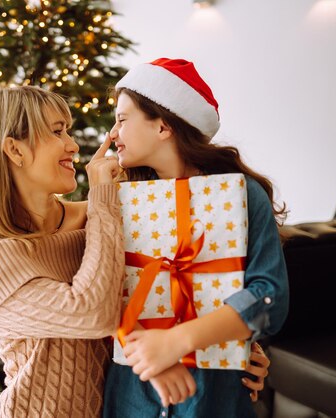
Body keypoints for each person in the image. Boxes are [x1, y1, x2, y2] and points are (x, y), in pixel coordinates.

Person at [0, 85, 272, 418]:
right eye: (58, 132)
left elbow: (154, 293)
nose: (73, 145)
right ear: (15, 151)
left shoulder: (102, 218)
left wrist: (226, 352)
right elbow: (93, 311)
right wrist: (102, 195)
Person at [102, 58, 289, 418]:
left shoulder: (244, 195)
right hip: (132, 395)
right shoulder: (116, 199)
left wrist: (179, 341)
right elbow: (97, 292)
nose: (112, 133)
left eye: (122, 119)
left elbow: (270, 298)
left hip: (215, 397)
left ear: (163, 126)